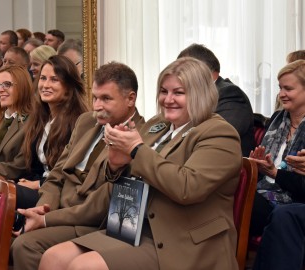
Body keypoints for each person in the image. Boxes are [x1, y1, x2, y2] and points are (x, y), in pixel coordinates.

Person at [38, 57, 242, 270]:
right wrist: (116, 166)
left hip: (180, 240)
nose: (168, 99)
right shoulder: (158, 125)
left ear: (200, 94)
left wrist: (136, 149)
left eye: (178, 93)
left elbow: (187, 187)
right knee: (53, 258)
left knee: (84, 267)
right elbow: (127, 176)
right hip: (131, 227)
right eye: (164, 91)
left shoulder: (219, 133)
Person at [10, 61, 145, 270]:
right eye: (95, 98)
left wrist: (47, 219)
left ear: (130, 99)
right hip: (58, 209)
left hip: (89, 222)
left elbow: (101, 206)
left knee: (25, 245)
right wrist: (42, 209)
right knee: (12, 233)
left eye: (106, 99)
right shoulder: (86, 122)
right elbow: (56, 176)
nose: (97, 106)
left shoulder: (139, 139)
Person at [16, 55, 89, 208]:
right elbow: (35, 166)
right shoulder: (40, 119)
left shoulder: (80, 122)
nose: (45, 85)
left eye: (54, 80)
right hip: (41, 188)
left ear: (69, 87)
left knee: (5, 195)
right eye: (43, 78)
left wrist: (36, 184)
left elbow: (72, 175)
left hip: (60, 195)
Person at [249, 60, 305, 238]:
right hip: (263, 193)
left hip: (293, 203)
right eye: (280, 88)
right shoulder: (277, 119)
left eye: (288, 89)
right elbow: (264, 169)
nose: (281, 94)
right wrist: (254, 165)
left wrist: (274, 173)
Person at [178, 43, 255, 156]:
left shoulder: (230, 94)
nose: (178, 76)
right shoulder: (193, 96)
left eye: (182, 71)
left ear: (202, 69)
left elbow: (216, 137)